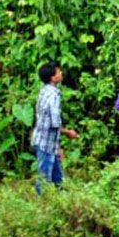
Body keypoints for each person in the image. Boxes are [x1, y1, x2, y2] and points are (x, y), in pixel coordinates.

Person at [32, 62, 78, 193]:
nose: (61, 73)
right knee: (44, 179)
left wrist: (57, 148)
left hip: (46, 142)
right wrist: (69, 132)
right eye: (59, 72)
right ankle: (41, 205)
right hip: (46, 144)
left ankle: (65, 204)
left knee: (60, 180)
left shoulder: (44, 91)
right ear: (53, 77)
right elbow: (55, 123)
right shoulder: (53, 96)